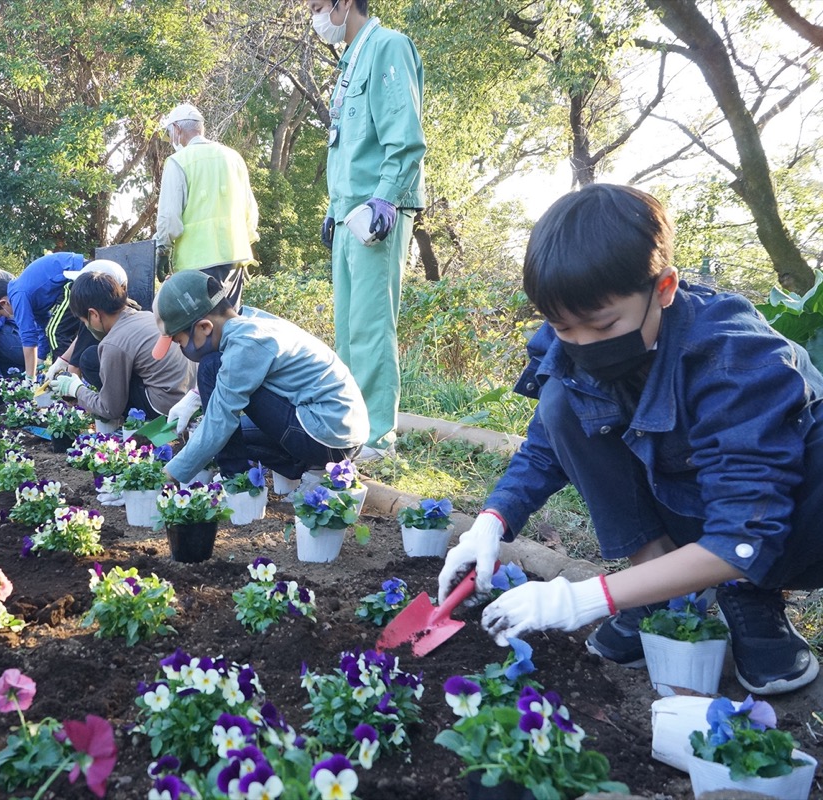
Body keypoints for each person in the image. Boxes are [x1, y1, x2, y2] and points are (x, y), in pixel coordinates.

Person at [439, 184, 822, 697]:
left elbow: (743, 530)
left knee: (748, 545)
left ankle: (751, 593)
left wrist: (579, 600)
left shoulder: (734, 360)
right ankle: (657, 593)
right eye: (562, 326)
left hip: (792, 521)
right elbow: (547, 442)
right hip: (685, 496)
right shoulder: (575, 338)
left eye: (601, 325)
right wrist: (491, 522)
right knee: (559, 402)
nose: (581, 345)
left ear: (663, 288)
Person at [309, 0, 425, 462]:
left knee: (372, 327)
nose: (313, 16)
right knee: (347, 329)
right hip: (347, 215)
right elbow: (348, 145)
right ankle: (350, 426)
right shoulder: (348, 61)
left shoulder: (388, 48)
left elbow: (405, 134)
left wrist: (386, 197)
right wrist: (334, 209)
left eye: (317, 5)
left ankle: (378, 437)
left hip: (379, 212)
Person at [151, 270, 368, 483]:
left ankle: (234, 479)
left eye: (180, 342)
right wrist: (195, 398)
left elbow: (220, 421)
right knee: (232, 437)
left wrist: (170, 474)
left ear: (205, 327)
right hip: (336, 433)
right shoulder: (251, 322)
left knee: (212, 369)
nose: (182, 348)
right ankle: (303, 465)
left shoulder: (247, 343)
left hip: (325, 436)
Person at [51, 269, 195, 423]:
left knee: (89, 359)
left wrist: (76, 390)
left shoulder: (114, 343)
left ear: (94, 314)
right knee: (95, 356)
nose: (86, 326)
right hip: (188, 398)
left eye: (84, 321)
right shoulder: (145, 316)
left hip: (163, 409)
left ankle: (134, 419)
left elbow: (109, 409)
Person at [155, 103, 259, 308]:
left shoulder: (178, 162)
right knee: (230, 323)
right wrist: (246, 241)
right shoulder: (233, 157)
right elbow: (250, 210)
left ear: (176, 129)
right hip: (234, 257)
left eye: (170, 134)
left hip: (197, 263)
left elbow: (169, 218)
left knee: (203, 328)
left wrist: (162, 250)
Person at [0, 252, 88, 377]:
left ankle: (63, 379)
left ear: (3, 303)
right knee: (56, 329)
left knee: (55, 331)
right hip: (76, 274)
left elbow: (28, 337)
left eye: (2, 314)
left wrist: (29, 379)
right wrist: (41, 356)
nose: (7, 316)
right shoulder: (28, 295)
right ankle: (71, 375)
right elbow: (43, 326)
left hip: (78, 274)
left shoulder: (18, 295)